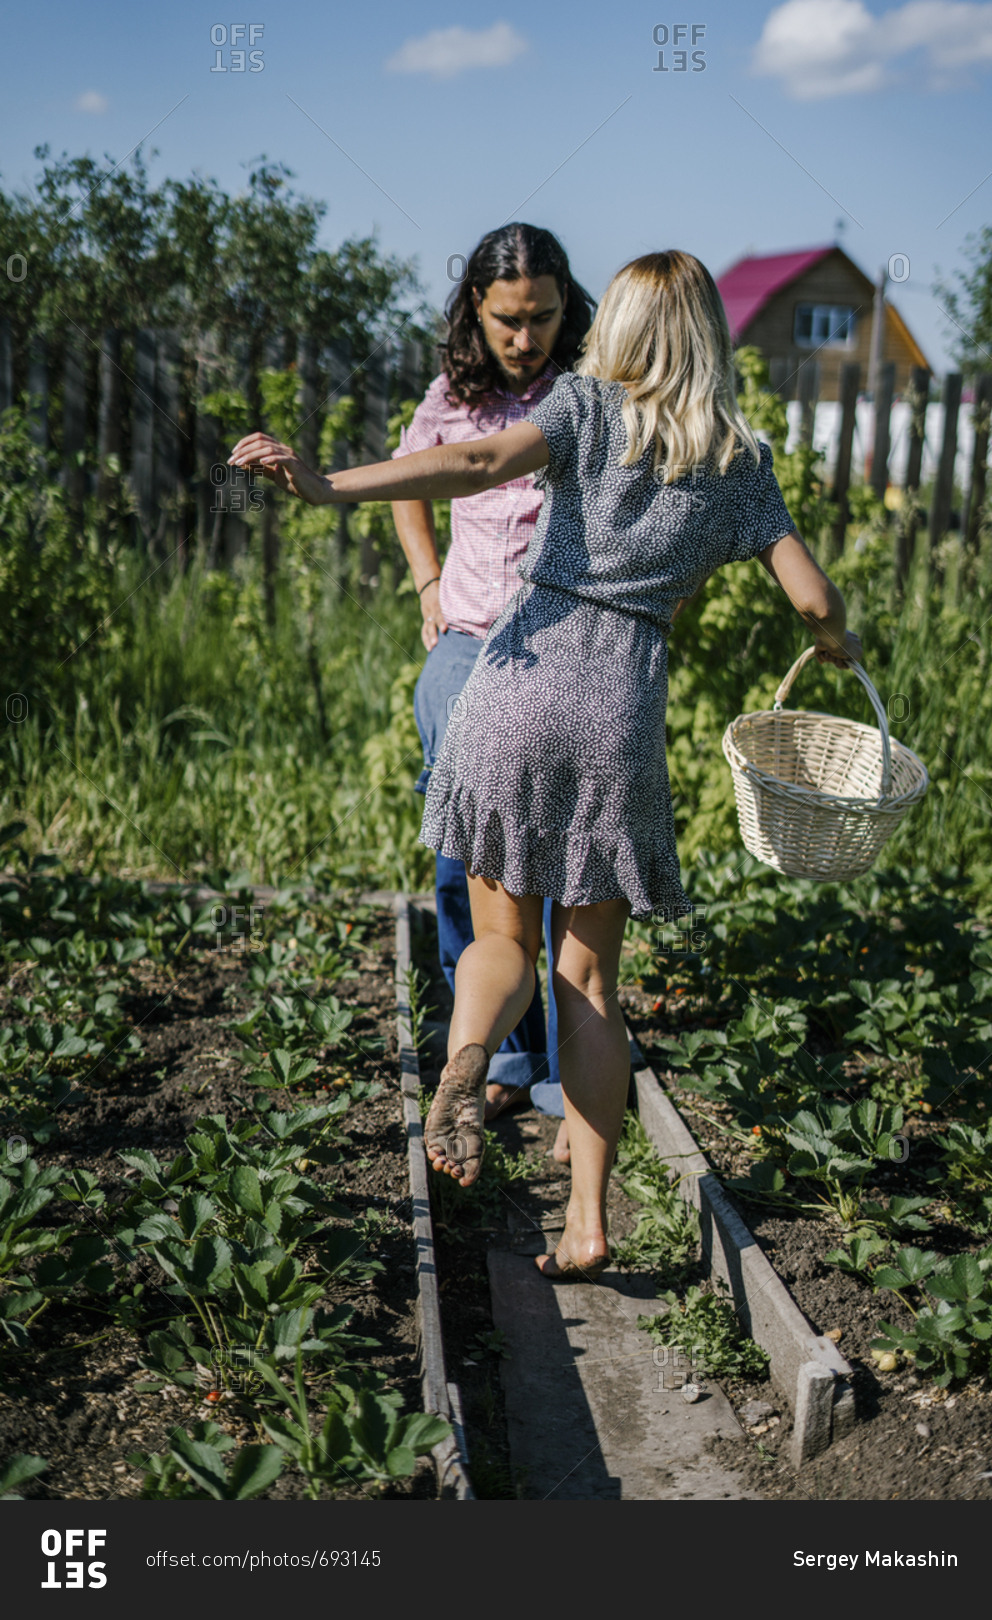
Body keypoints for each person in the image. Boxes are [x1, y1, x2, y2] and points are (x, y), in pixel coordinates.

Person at [230, 248, 862, 1283]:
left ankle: (469, 1055)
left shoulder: (583, 408)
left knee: (501, 937)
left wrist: (325, 484)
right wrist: (835, 645)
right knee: (590, 980)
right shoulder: (739, 460)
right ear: (709, 335)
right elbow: (813, 601)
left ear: (614, 324)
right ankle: (586, 1224)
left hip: (516, 685)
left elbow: (476, 466)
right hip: (618, 713)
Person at [390, 223, 597, 1161]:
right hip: (469, 641)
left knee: (555, 855)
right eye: (509, 320)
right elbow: (409, 479)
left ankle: (562, 1069)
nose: (527, 338)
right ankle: (498, 1064)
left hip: (560, 645)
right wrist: (427, 581)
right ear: (476, 309)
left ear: (566, 307)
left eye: (544, 317)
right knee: (463, 837)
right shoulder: (452, 396)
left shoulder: (587, 393)